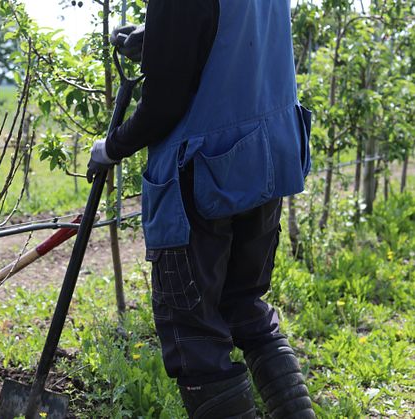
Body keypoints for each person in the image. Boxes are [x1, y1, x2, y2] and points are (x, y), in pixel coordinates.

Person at [88, 1, 314, 418]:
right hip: (264, 159)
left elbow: (163, 105)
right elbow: (231, 44)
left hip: (202, 171)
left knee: (194, 338)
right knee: (243, 306)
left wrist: (112, 146)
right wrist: (159, 42)